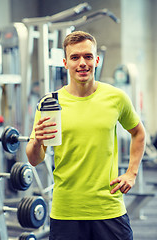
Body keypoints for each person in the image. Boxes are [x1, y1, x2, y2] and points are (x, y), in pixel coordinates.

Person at [26, 31, 146, 240]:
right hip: (67, 211)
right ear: (65, 63)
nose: (82, 63)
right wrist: (37, 140)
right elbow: (34, 160)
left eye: (88, 56)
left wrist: (131, 174)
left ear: (96, 60)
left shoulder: (116, 97)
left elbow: (139, 133)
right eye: (75, 57)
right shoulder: (49, 103)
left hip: (109, 209)